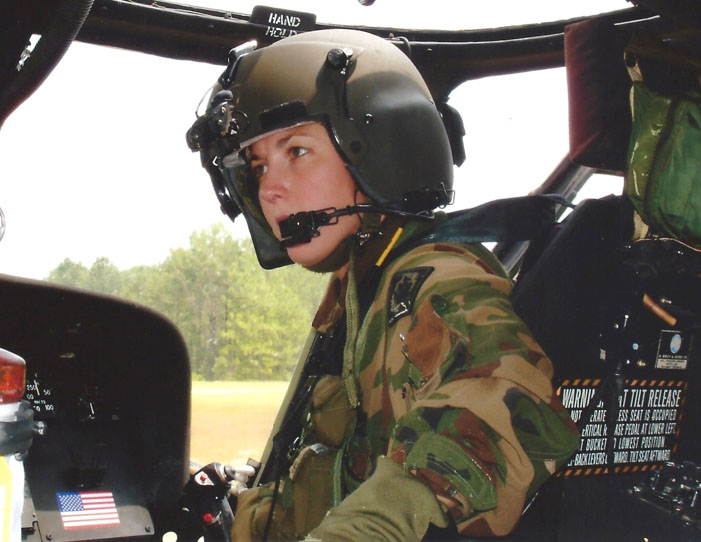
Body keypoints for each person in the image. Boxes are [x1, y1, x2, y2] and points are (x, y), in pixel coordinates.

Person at [187, 29, 579, 541]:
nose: (269, 189)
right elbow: (349, 452)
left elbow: (505, 404)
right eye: (258, 166)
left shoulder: (433, 276)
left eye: (297, 151)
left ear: (382, 149)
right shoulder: (363, 282)